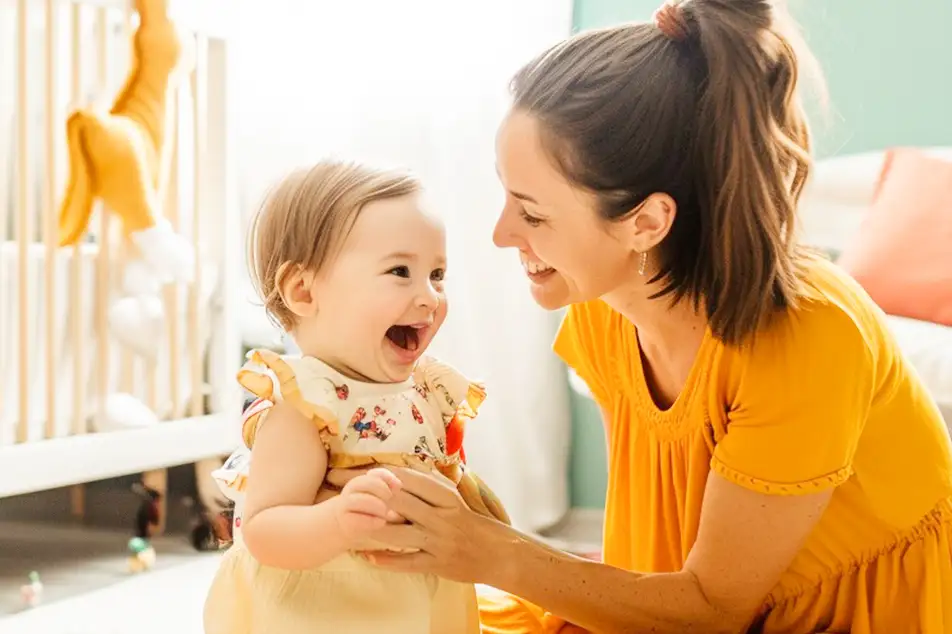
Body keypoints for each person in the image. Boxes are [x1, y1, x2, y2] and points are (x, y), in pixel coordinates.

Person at [332, 1, 952, 632]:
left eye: (534, 213)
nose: (499, 234)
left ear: (647, 222)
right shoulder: (602, 309)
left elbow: (714, 609)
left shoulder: (809, 338)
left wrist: (494, 554)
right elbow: (648, 543)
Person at [202, 160, 508, 634]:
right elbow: (263, 530)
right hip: (328, 610)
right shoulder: (308, 406)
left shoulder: (427, 389)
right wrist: (337, 521)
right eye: (401, 271)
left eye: (438, 273)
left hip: (418, 601)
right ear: (304, 291)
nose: (429, 296)